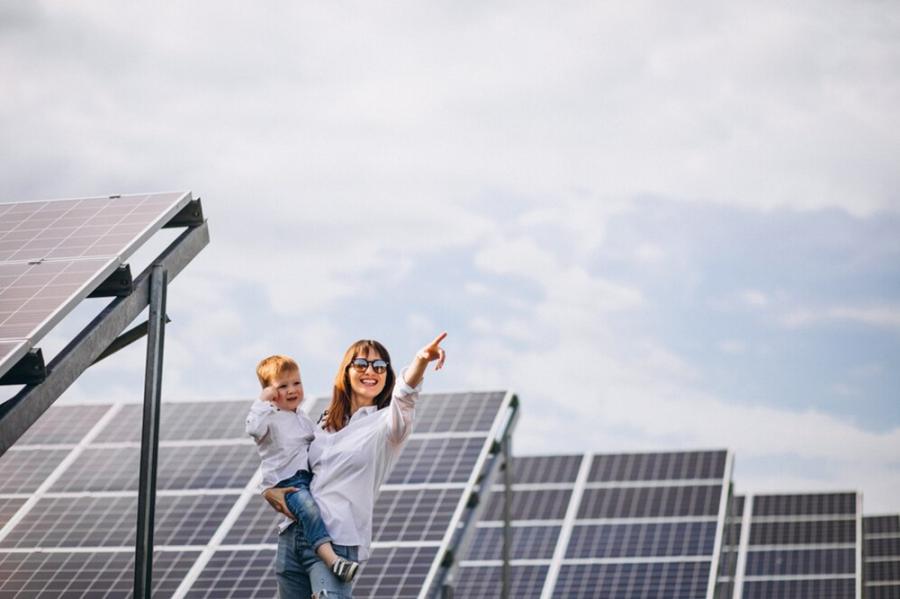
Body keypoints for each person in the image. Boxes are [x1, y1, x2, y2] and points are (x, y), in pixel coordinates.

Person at [263, 333, 447, 598]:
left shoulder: (387, 425)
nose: (371, 371)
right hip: (294, 535)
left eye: (379, 366)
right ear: (346, 371)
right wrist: (271, 492)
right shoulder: (323, 424)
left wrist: (420, 361)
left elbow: (405, 396)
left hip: (337, 541)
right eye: (361, 364)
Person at [246, 354, 360, 583]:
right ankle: (333, 561)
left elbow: (315, 440)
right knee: (309, 510)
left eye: (296, 383)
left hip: (305, 478)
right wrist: (262, 402)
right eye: (283, 386)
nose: (292, 390)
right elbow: (253, 429)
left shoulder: (301, 416)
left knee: (317, 508)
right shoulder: (269, 417)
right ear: (270, 392)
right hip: (286, 483)